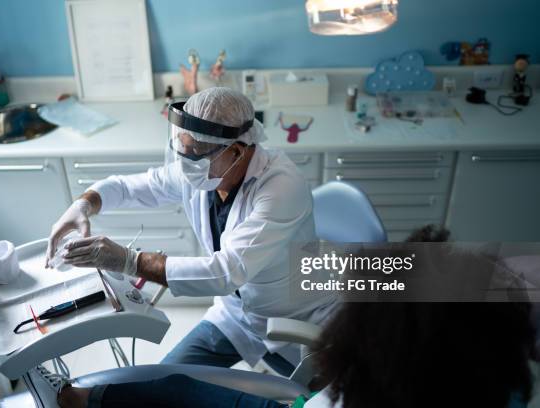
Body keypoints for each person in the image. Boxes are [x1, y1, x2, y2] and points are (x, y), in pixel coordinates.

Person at [27, 226, 537, 408]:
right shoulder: (494, 374)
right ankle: (77, 397)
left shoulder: (382, 374)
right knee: (172, 386)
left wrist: (135, 262)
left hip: (277, 345)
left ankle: (77, 398)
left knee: (169, 388)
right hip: (253, 315)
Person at [46, 87, 337, 375]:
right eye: (181, 149)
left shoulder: (281, 187)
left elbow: (225, 271)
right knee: (160, 383)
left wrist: (128, 261)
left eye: (195, 153)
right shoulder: (204, 171)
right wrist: (84, 204)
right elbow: (128, 187)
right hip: (234, 318)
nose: (185, 163)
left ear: (235, 151)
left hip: (298, 324)